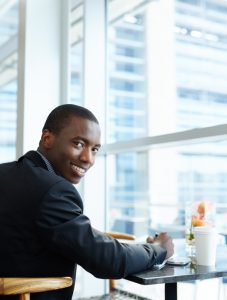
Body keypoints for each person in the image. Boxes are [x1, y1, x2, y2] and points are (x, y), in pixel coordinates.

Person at [0, 104, 174, 300]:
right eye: (79, 144)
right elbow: (110, 261)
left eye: (95, 149)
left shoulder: (7, 173)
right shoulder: (54, 191)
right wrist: (158, 249)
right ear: (47, 138)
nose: (87, 159)